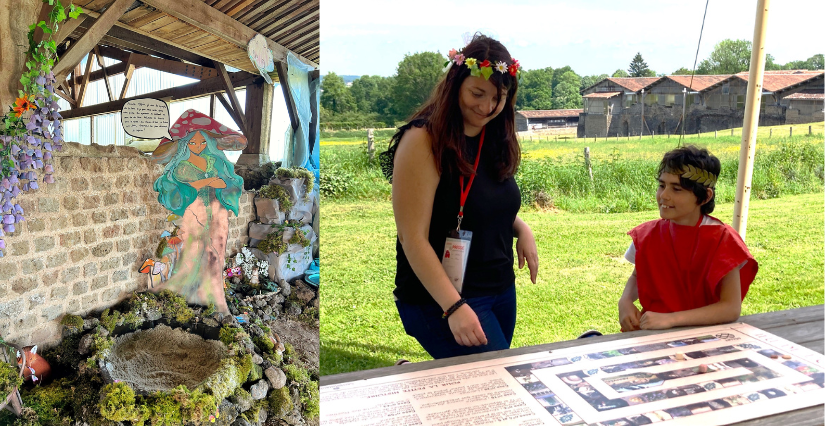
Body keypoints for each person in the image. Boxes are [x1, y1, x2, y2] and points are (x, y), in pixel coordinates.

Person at [379, 34, 539, 359]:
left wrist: (521, 228)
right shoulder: (423, 140)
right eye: (477, 93)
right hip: (442, 299)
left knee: (479, 394)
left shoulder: (494, 135)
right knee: (490, 392)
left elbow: (484, 204)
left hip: (499, 289)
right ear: (456, 83)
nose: (487, 107)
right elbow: (412, 237)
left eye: (499, 97)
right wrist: (454, 306)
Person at [619, 145, 758, 332]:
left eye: (676, 189)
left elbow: (730, 308)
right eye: (662, 186)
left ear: (704, 196)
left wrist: (671, 319)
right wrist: (625, 300)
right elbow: (638, 275)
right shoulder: (647, 235)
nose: (664, 196)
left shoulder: (722, 241)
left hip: (705, 338)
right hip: (651, 335)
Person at [148, 109, 247, 313]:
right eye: (192, 142)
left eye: (203, 142)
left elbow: (226, 182)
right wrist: (209, 181)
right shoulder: (182, 164)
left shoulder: (213, 160)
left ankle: (211, 292)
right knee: (193, 248)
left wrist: (210, 182)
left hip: (218, 211)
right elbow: (186, 185)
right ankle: (187, 289)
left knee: (216, 250)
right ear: (185, 144)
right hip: (195, 210)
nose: (198, 146)